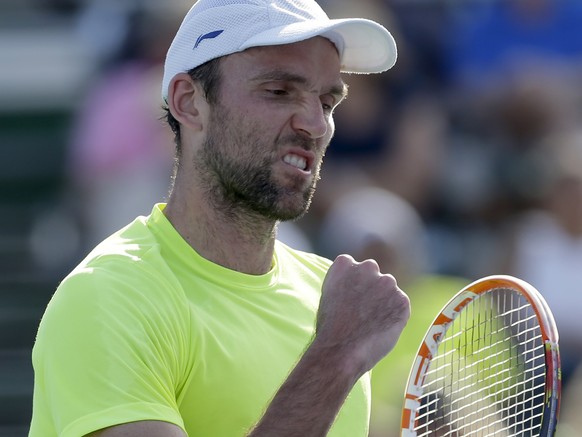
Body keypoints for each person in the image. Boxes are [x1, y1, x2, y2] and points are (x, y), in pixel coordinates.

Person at [29, 1, 410, 436]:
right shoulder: (107, 297)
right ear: (188, 102)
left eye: (327, 101)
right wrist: (336, 356)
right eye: (279, 91)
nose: (315, 125)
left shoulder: (332, 298)